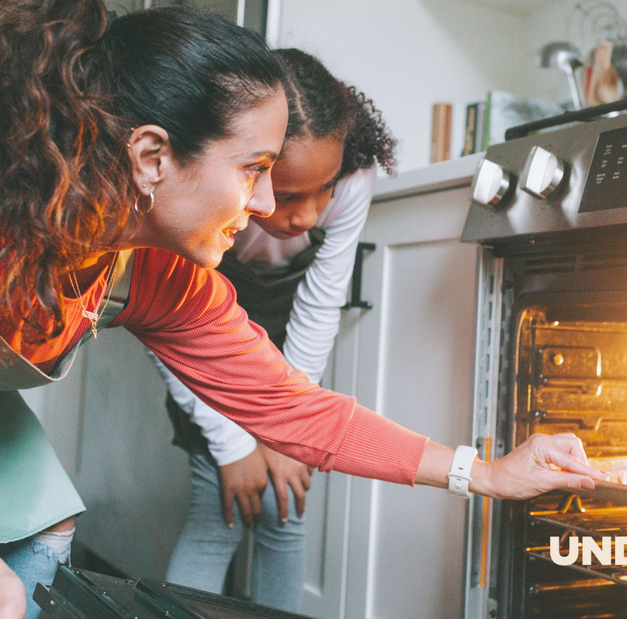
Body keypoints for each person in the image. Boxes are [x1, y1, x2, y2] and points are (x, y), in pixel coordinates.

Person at [0, 3, 604, 619]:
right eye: (254, 168)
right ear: (151, 156)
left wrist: (484, 471)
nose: (270, 202)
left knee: (35, 538)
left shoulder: (152, 269)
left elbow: (288, 406)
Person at [151, 49, 395, 612]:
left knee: (286, 507)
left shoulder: (353, 179)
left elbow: (319, 305)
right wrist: (235, 444)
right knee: (220, 507)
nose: (308, 216)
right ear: (250, 170)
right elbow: (167, 330)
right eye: (286, 197)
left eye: (324, 190)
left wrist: (290, 427)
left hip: (285, 346)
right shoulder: (203, 199)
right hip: (199, 335)